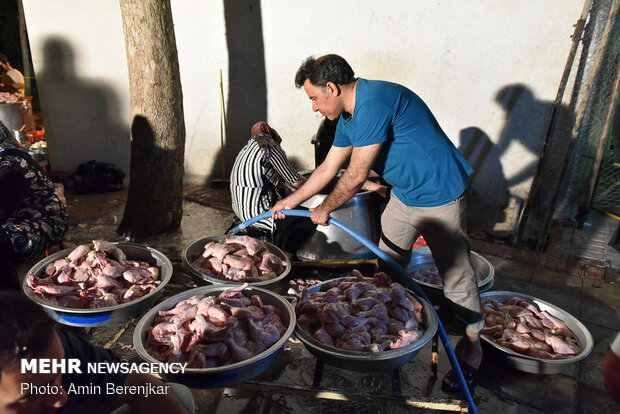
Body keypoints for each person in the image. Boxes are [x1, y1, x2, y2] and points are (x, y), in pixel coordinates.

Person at [271, 54, 483, 392]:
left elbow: (354, 176)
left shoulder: (375, 102)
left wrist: (324, 208)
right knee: (388, 265)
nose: (313, 107)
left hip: (440, 191)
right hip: (405, 195)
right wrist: (289, 202)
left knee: (456, 277)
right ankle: (389, 330)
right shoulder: (349, 117)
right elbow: (328, 169)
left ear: (331, 88)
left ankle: (472, 348)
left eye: (313, 98)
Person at [0, 291, 195, 414]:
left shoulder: (49, 351)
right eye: (31, 396)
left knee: (177, 395)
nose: (60, 398)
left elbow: (137, 385)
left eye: (58, 374)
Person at [229, 120, 314, 259]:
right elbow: (296, 182)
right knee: (308, 219)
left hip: (240, 212)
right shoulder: (270, 147)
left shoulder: (246, 149)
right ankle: (287, 260)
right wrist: (318, 183)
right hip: (257, 216)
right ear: (275, 139)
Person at [0, 120, 68, 289]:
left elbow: (2, 211)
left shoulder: (11, 165)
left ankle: (8, 301)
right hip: (12, 220)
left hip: (41, 223)